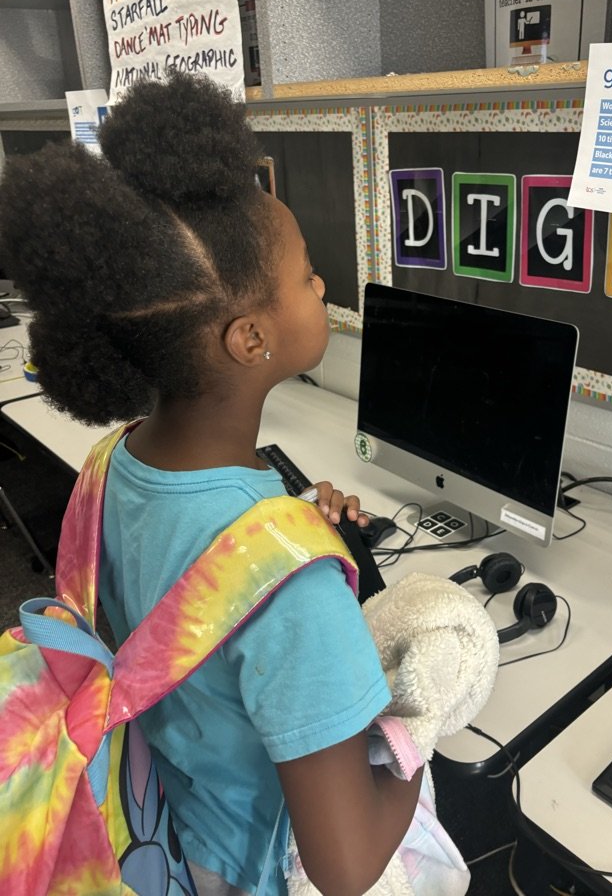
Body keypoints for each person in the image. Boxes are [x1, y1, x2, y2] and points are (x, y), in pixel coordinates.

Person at [0, 72, 422, 896]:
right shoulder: (290, 585)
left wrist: (282, 533)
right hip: (233, 872)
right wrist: (423, 727)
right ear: (250, 336)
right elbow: (346, 866)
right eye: (307, 276)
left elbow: (186, 603)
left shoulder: (110, 465)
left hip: (147, 816)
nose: (323, 287)